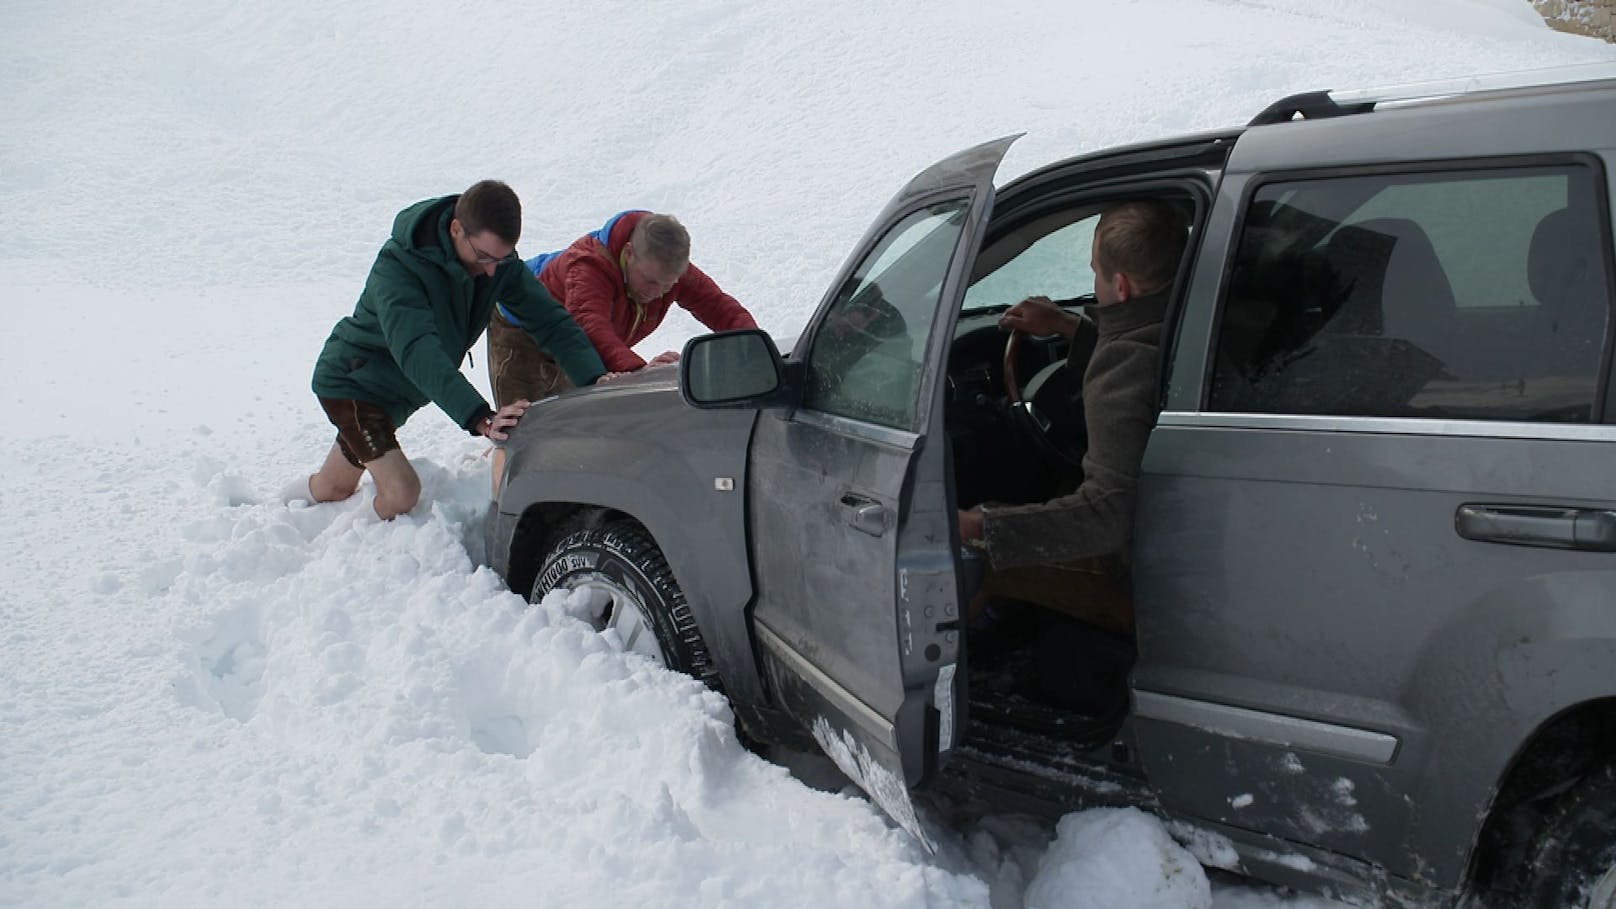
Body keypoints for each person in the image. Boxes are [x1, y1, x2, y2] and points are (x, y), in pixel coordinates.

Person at [286, 180, 607, 521]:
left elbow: (550, 321)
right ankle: (350, 536)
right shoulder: (398, 268)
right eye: (483, 256)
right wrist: (480, 417)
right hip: (354, 384)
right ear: (456, 229)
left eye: (502, 258)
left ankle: (290, 504)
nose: (491, 270)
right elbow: (418, 351)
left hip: (398, 393)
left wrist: (595, 377)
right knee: (402, 493)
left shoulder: (496, 263)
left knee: (334, 487)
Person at [958, 199, 1188, 635]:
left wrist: (975, 526)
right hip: (1181, 529)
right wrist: (1070, 327)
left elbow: (1106, 515)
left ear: (1119, 286)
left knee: (979, 550)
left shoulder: (1121, 369)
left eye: (1095, 272)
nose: (1094, 282)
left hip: (1147, 578)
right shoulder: (1186, 316)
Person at [485, 210, 757, 490]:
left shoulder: (665, 266)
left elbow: (719, 307)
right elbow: (588, 325)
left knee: (570, 423)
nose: (659, 293)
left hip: (581, 344)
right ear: (629, 253)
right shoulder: (587, 265)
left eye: (669, 285)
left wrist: (754, 349)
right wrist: (637, 371)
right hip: (520, 330)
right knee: (521, 426)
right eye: (651, 282)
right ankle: (503, 499)